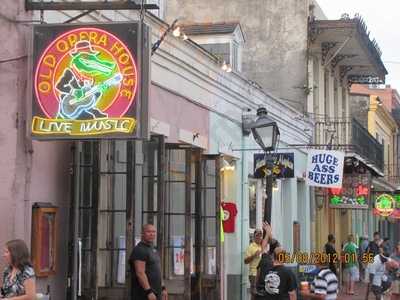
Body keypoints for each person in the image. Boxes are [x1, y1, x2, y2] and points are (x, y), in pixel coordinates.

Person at [129, 224, 168, 300]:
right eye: (148, 232)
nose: (152, 234)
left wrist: (163, 288)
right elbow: (140, 273)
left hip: (156, 293)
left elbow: (158, 271)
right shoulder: (139, 250)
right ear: (142, 234)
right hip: (143, 295)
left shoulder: (153, 250)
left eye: (153, 232)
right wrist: (148, 291)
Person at [245, 228, 264, 299]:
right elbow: (245, 261)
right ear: (254, 237)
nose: (259, 237)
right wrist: (254, 255)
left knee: (261, 292)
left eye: (260, 235)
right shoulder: (250, 247)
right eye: (257, 236)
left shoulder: (263, 246)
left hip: (262, 272)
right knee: (254, 293)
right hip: (254, 273)